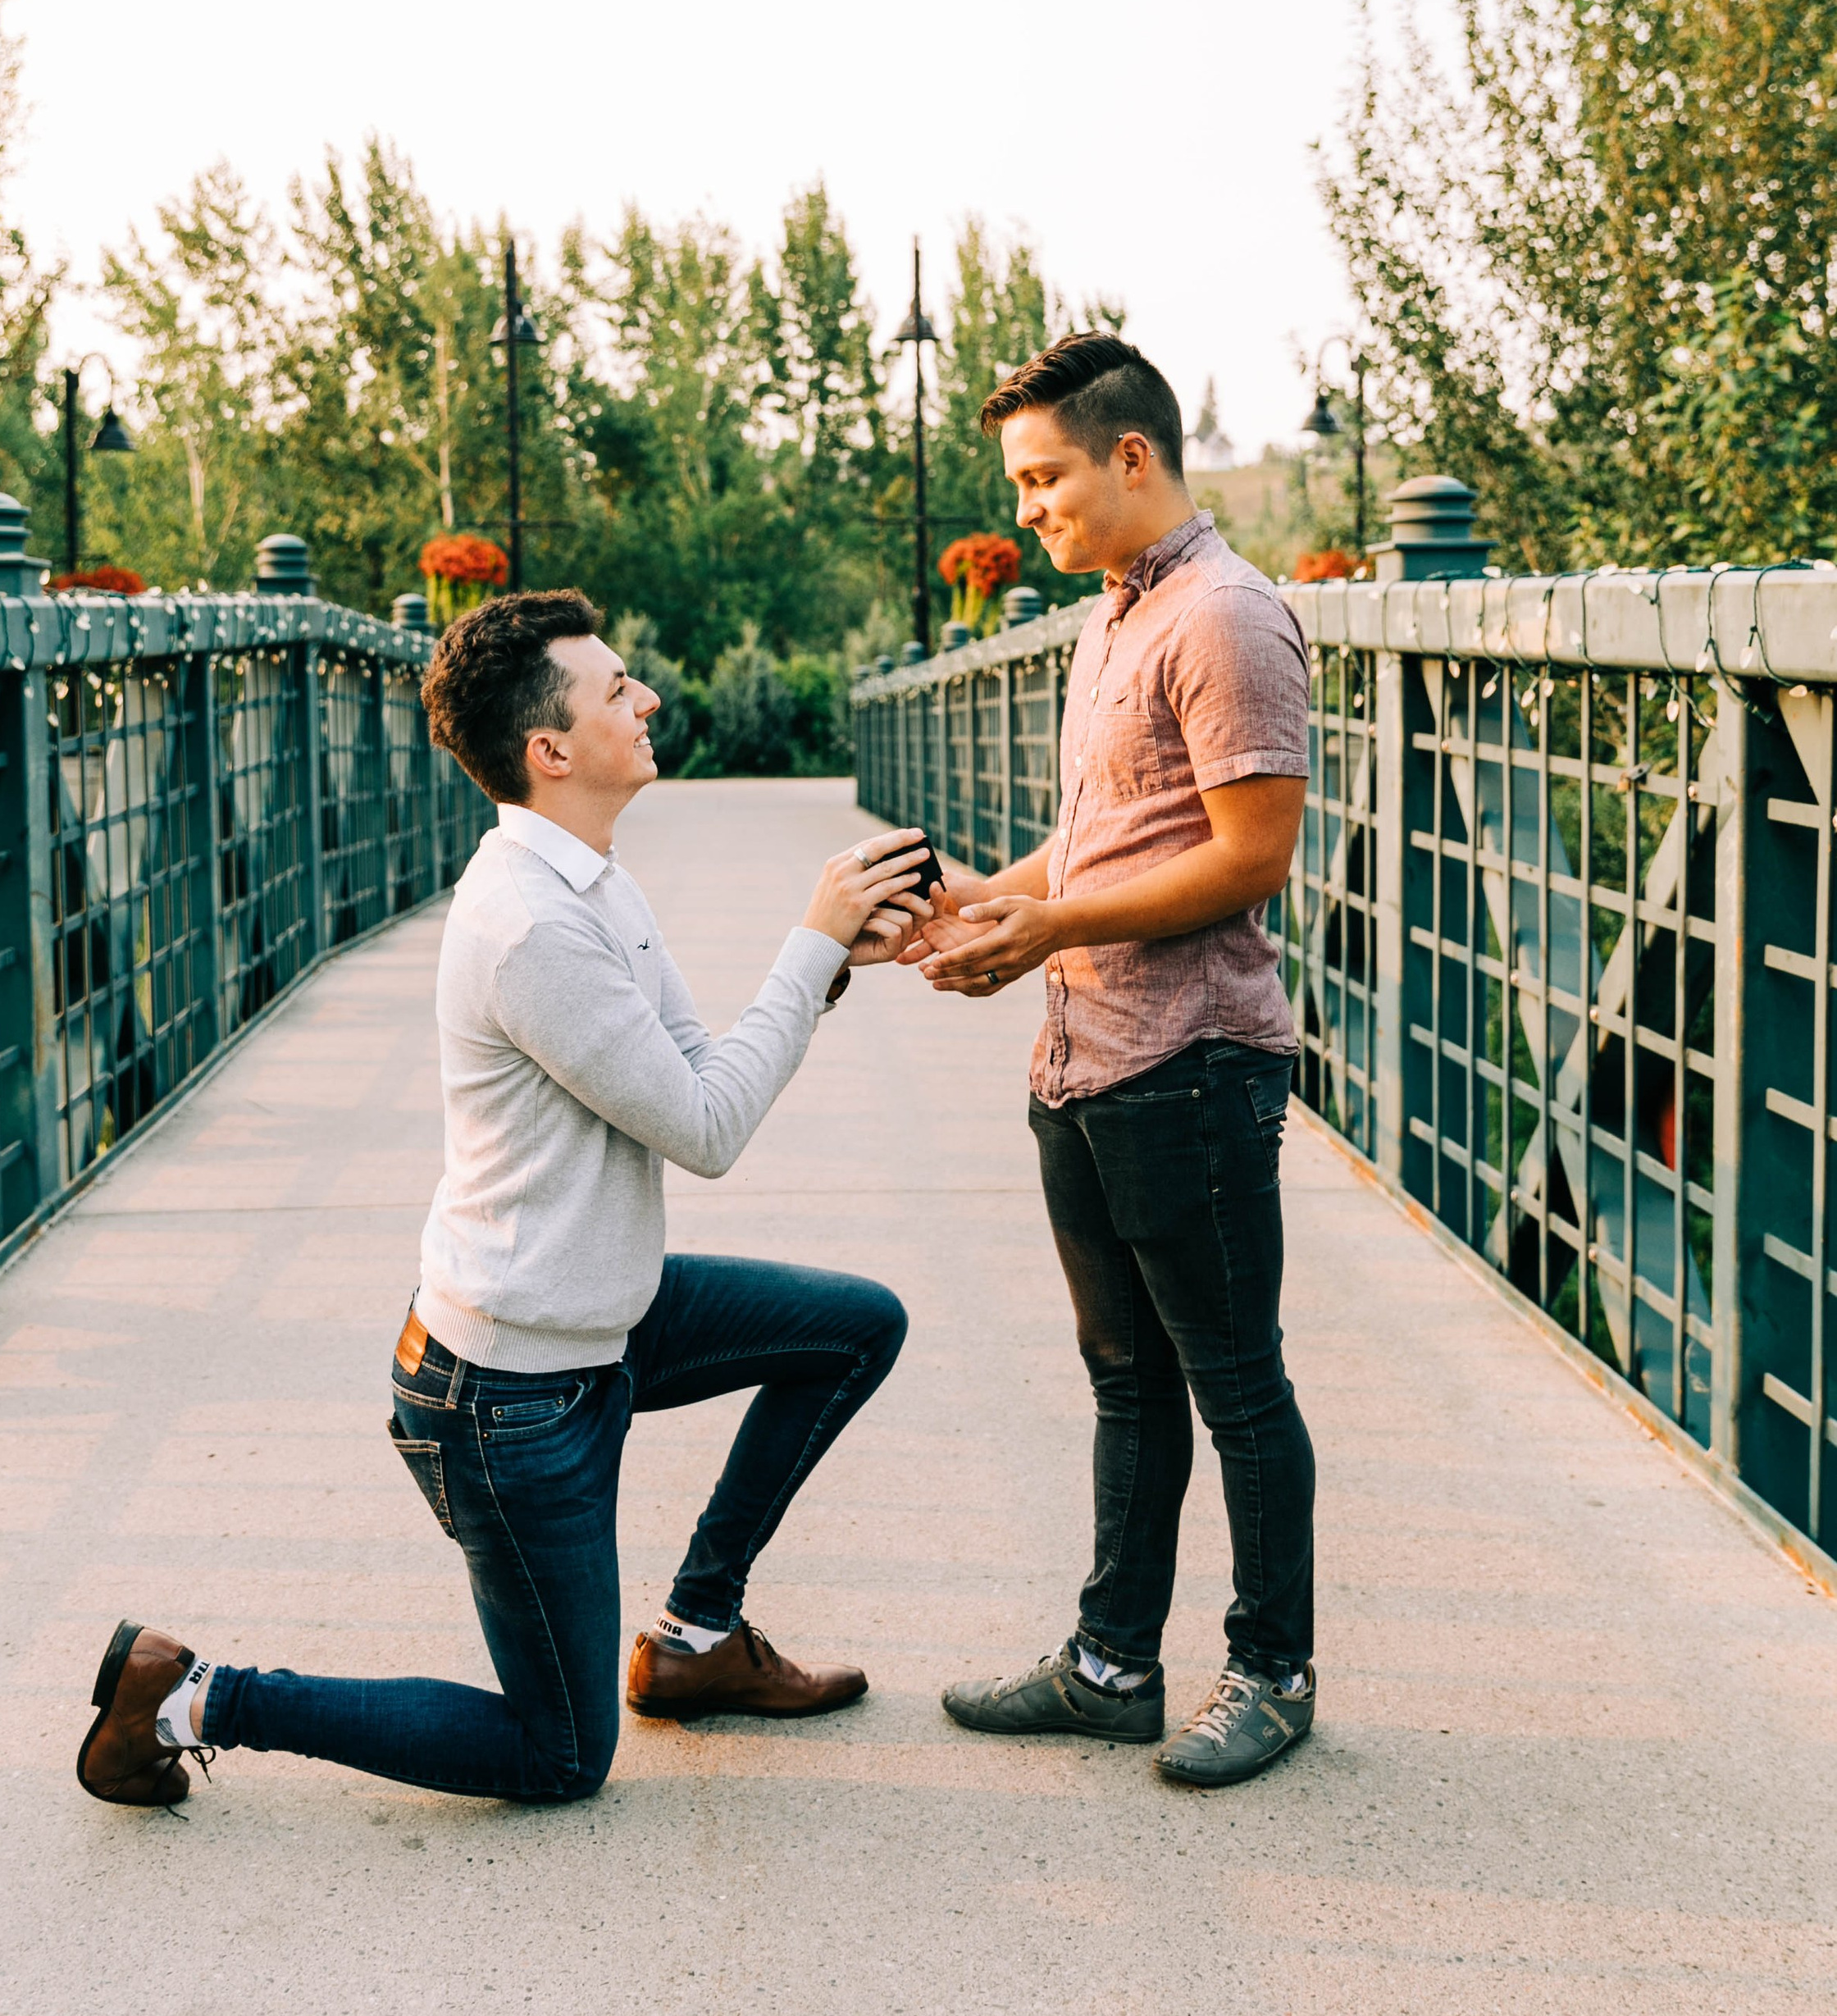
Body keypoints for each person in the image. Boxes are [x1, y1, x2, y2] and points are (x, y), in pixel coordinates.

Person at [77, 590, 930, 1811]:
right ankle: (193, 1692)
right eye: (618, 689)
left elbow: (692, 1074)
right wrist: (808, 943)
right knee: (561, 1754)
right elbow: (707, 1134)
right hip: (509, 1394)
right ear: (551, 751)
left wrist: (832, 962)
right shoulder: (530, 922)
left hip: (601, 1316)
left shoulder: (589, 878)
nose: (647, 700)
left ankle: (695, 1634)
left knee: (857, 1326)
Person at [909, 332, 1316, 1788]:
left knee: (1235, 1382)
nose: (1028, 510)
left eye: (1044, 476)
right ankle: (1110, 1665)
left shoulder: (1225, 618)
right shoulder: (1111, 619)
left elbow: (1251, 858)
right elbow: (1104, 842)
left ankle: (1272, 1672)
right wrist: (987, 902)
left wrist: (1049, 922)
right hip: (1083, 1057)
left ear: (1129, 455)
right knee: (1126, 1380)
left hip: (1191, 1061)